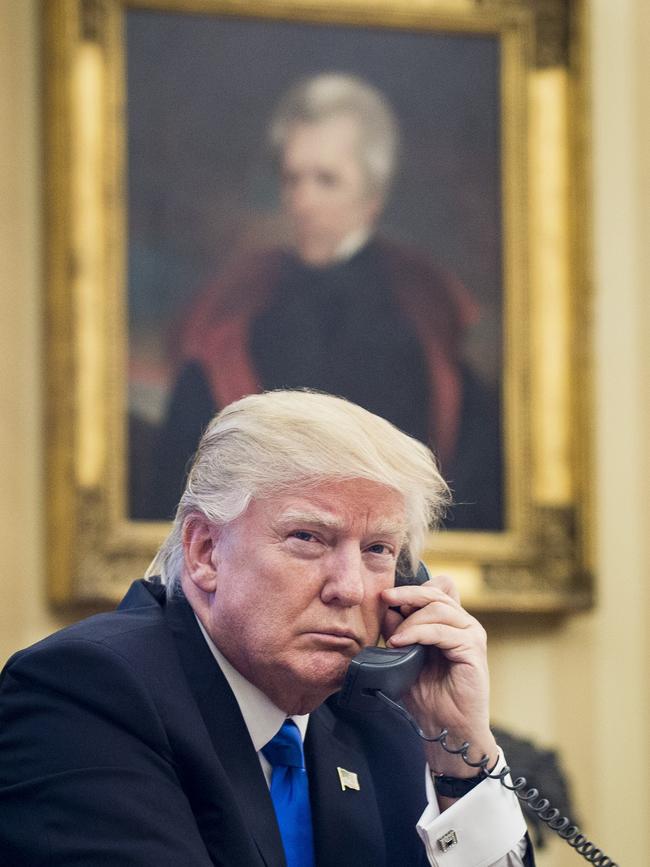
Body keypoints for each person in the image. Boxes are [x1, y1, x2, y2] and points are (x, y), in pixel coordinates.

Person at [1, 390, 530, 865]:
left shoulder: (382, 719)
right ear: (206, 551)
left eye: (378, 550)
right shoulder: (87, 690)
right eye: (308, 537)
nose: (348, 588)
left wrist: (459, 752)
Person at [141, 74, 502, 530]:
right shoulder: (239, 303)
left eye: (326, 181)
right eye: (293, 180)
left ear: (372, 196)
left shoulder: (423, 309)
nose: (303, 201)